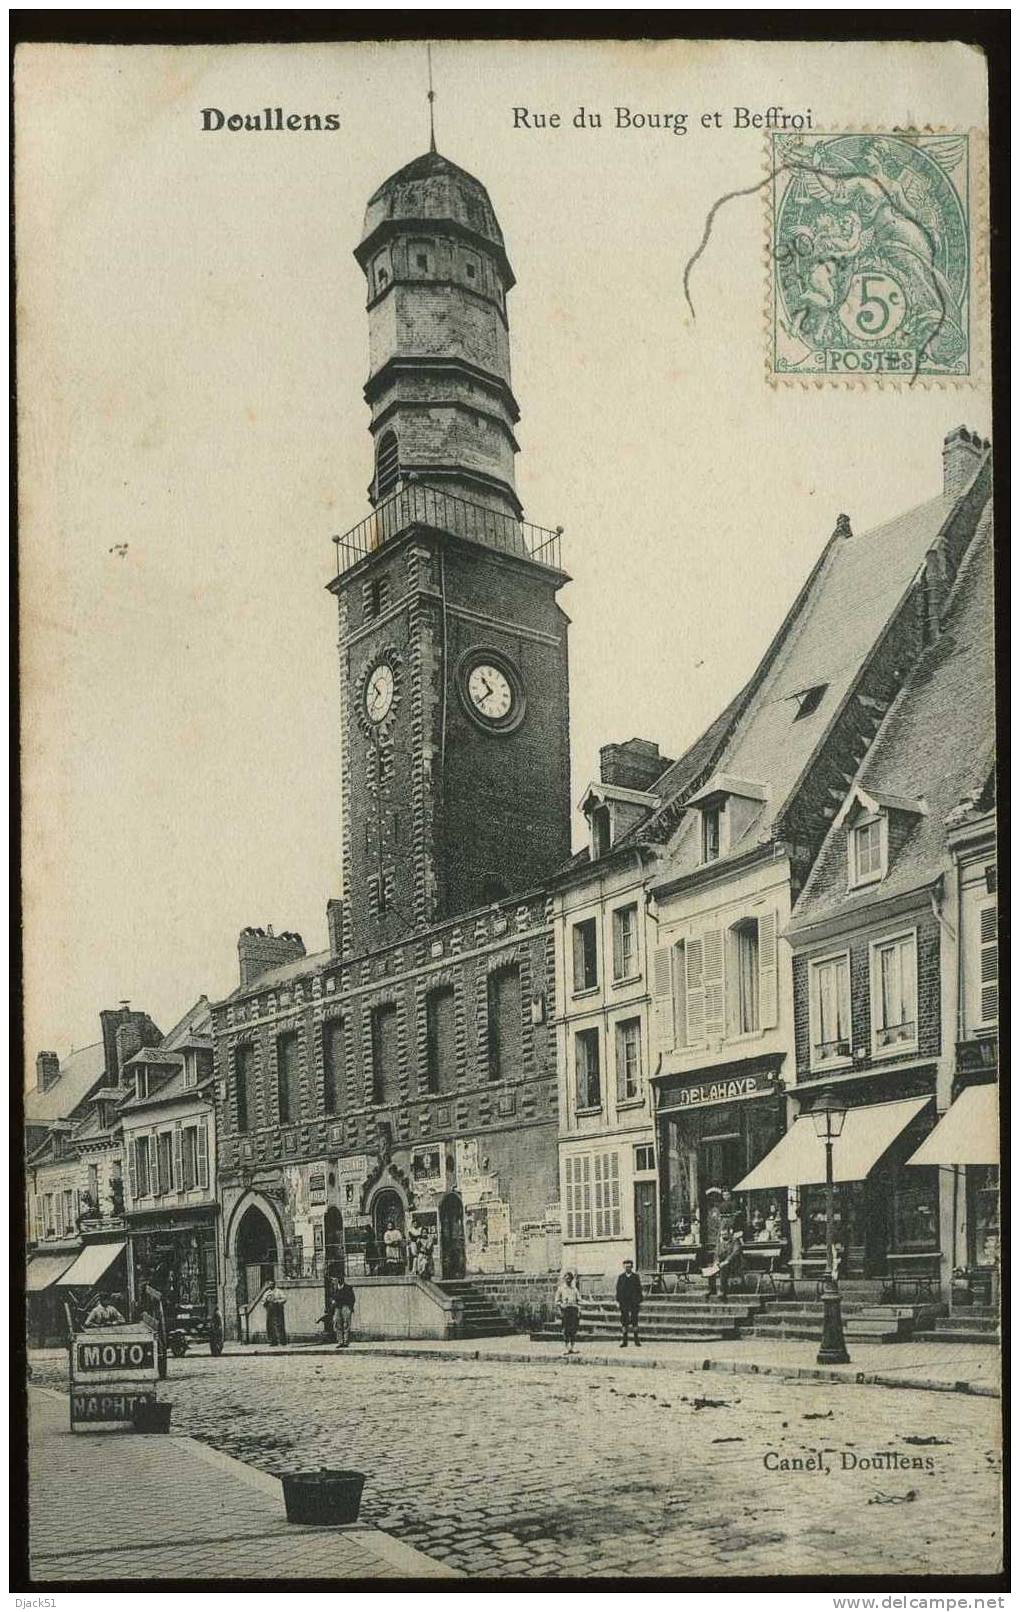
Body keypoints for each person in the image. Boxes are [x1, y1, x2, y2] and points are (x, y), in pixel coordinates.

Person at [616, 1259, 643, 1348]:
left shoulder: (635, 1277)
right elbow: (618, 1290)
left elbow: (639, 1289)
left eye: (629, 1267)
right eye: (626, 1267)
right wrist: (618, 1301)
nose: (627, 1268)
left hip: (634, 1303)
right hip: (624, 1303)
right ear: (624, 1267)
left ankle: (636, 1340)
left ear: (632, 1267)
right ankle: (625, 1341)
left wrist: (639, 1301)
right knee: (624, 1322)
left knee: (635, 1321)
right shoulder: (621, 1277)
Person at [554, 1269, 582, 1356]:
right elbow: (557, 1301)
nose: (568, 1280)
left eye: (570, 1278)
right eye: (566, 1278)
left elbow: (579, 1300)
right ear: (564, 1279)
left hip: (573, 1310)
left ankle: (572, 1347)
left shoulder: (574, 1289)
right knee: (566, 1329)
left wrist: (579, 1308)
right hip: (565, 1311)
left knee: (573, 1329)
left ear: (572, 1279)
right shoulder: (561, 1289)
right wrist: (561, 1306)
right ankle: (566, 1347)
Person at [262, 1279, 288, 1346]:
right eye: (270, 1284)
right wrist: (266, 1301)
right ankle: (273, 1341)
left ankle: (282, 1341)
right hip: (269, 1310)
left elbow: (284, 1299)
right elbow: (262, 1301)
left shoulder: (279, 1291)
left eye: (272, 1284)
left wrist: (277, 1301)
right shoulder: (267, 1292)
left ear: (274, 1284)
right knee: (270, 1325)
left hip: (278, 1310)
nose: (271, 1285)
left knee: (279, 1324)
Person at [333, 1278, 356, 1349]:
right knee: (338, 1324)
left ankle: (346, 1341)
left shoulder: (348, 1288)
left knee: (346, 1324)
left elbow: (352, 1298)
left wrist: (350, 1307)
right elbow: (333, 1297)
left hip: (345, 1307)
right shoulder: (336, 1288)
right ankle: (340, 1341)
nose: (339, 1281)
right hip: (338, 1307)